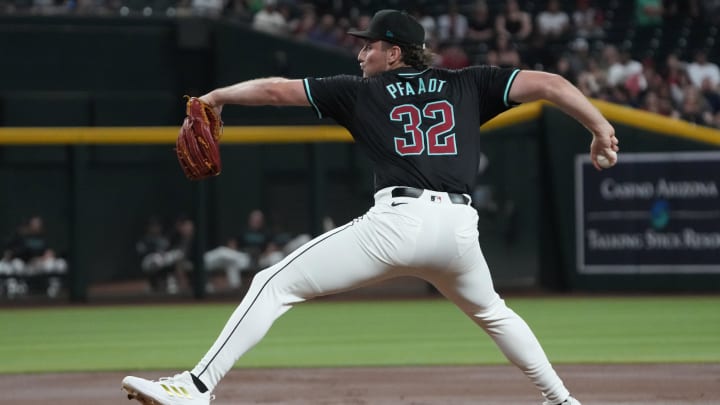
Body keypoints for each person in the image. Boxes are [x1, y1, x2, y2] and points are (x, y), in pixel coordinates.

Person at [121, 9, 618, 405]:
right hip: (460, 230)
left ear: (393, 52)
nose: (360, 53)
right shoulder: (470, 83)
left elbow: (275, 90)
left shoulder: (359, 92)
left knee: (272, 284)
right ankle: (562, 400)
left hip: (399, 223)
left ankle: (196, 387)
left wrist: (216, 96)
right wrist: (600, 129)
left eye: (369, 44)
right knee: (494, 313)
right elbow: (552, 84)